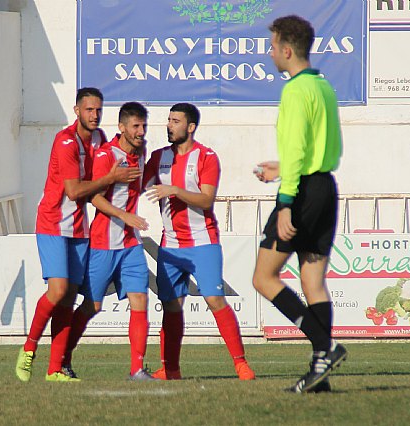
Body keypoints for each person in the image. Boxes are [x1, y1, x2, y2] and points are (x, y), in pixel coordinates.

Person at [15, 88, 140, 382]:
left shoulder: (100, 140)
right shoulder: (65, 141)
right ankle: (29, 348)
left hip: (80, 228)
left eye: (98, 110)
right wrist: (111, 178)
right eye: (89, 110)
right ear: (76, 111)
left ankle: (55, 369)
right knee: (58, 291)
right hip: (53, 223)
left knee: (70, 297)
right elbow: (74, 191)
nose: (95, 115)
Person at [251, 15, 347, 393]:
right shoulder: (323, 86)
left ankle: (325, 346)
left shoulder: (293, 91)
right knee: (313, 282)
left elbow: (295, 147)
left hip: (302, 194)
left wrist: (286, 201)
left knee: (263, 277)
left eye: (272, 46)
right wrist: (285, 168)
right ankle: (320, 373)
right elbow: (319, 148)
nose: (269, 52)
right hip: (325, 184)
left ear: (287, 51)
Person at [143, 102, 255, 381]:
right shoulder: (158, 158)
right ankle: (171, 369)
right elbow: (136, 186)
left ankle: (241, 364)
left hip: (203, 242)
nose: (169, 125)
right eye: (168, 119)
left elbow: (206, 199)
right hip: (170, 245)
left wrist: (175, 190)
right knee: (171, 305)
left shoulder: (206, 157)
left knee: (215, 299)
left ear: (190, 127)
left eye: (176, 120)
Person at [63, 102, 154, 381]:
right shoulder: (106, 155)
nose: (141, 131)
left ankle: (137, 369)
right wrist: (124, 215)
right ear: (122, 127)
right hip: (103, 242)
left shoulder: (141, 153)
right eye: (136, 126)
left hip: (130, 244)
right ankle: (62, 358)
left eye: (144, 126)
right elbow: (94, 197)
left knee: (140, 298)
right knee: (93, 306)